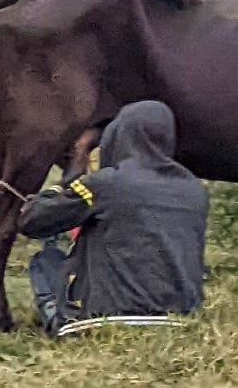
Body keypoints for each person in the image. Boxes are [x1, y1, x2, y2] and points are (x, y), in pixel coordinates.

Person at [15, 102, 208, 338]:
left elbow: (32, 221)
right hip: (178, 325)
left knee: (46, 261)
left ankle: (60, 323)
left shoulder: (106, 184)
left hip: (105, 324)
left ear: (121, 136)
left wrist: (67, 181)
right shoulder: (193, 190)